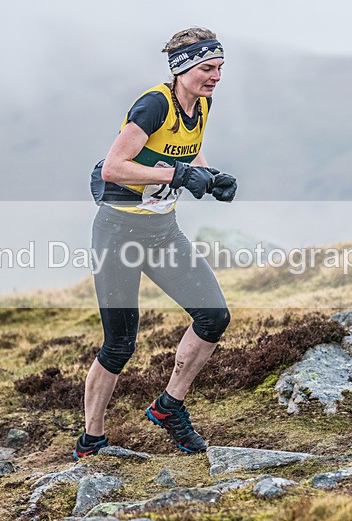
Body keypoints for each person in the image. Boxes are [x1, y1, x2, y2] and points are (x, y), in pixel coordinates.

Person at [75, 27, 238, 459]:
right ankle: (92, 439)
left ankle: (169, 407)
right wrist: (178, 175)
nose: (216, 76)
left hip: (163, 233)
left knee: (213, 317)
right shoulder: (154, 105)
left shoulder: (201, 104)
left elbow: (187, 150)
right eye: (207, 68)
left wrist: (210, 176)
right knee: (119, 344)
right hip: (118, 234)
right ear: (182, 69)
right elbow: (114, 168)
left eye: (220, 68)